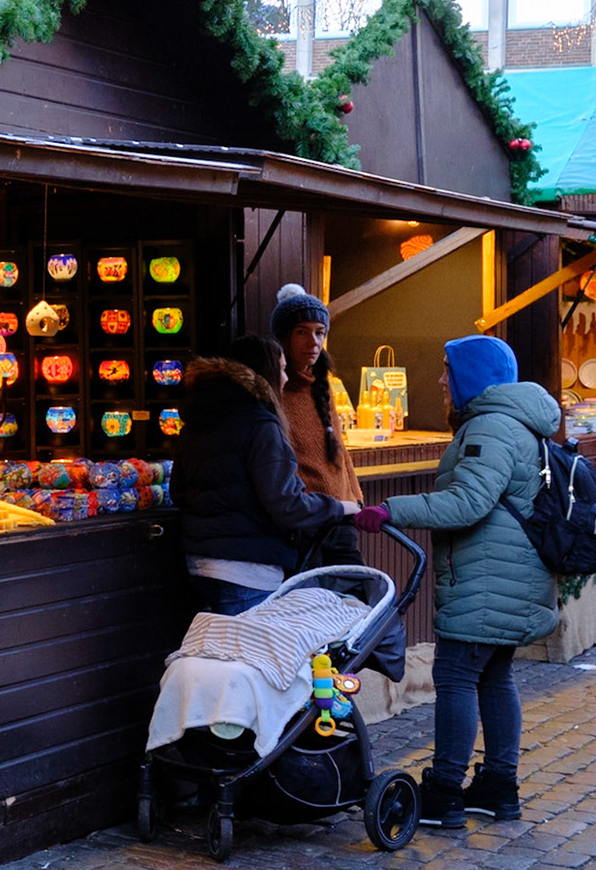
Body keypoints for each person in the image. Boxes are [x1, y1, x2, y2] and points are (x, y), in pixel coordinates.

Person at [353, 334, 559, 829]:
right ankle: (499, 788)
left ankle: (445, 792)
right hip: (509, 578)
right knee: (494, 676)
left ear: (473, 375)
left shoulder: (489, 426)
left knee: (455, 676)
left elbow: (468, 503)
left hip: (487, 581)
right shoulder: (516, 423)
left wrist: (390, 510)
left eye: (448, 369)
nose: (441, 380)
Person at [177, 334, 359, 615]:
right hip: (248, 569)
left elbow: (178, 492)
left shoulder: (198, 423)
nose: (286, 378)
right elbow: (288, 504)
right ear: (266, 373)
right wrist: (338, 507)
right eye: (282, 369)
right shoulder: (261, 425)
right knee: (254, 644)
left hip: (200, 564)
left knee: (220, 642)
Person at [270, 283, 368, 573]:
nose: (313, 341)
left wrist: (356, 497)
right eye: (302, 332)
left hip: (342, 518)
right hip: (304, 523)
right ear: (284, 337)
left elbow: (339, 451)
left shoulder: (322, 384)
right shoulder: (273, 391)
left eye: (319, 332)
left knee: (357, 593)